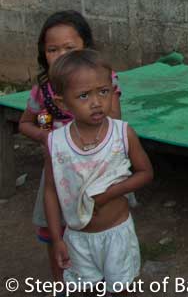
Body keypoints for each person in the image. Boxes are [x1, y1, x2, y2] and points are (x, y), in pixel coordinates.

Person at [18, 11, 123, 282]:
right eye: (53, 49)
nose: (61, 55)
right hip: (58, 171)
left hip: (98, 170)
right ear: (44, 54)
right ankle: (62, 284)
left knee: (104, 227)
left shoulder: (103, 80)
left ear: (86, 49)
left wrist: (83, 133)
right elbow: (26, 124)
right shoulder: (44, 89)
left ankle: (111, 279)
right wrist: (48, 138)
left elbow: (115, 121)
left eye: (69, 48)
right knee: (55, 231)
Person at [42, 50, 153, 294]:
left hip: (116, 234)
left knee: (122, 289)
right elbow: (51, 191)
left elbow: (145, 172)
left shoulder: (122, 134)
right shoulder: (56, 143)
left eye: (103, 92)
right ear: (62, 102)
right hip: (78, 238)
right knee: (86, 290)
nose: (96, 102)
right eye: (83, 96)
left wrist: (112, 193)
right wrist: (57, 239)